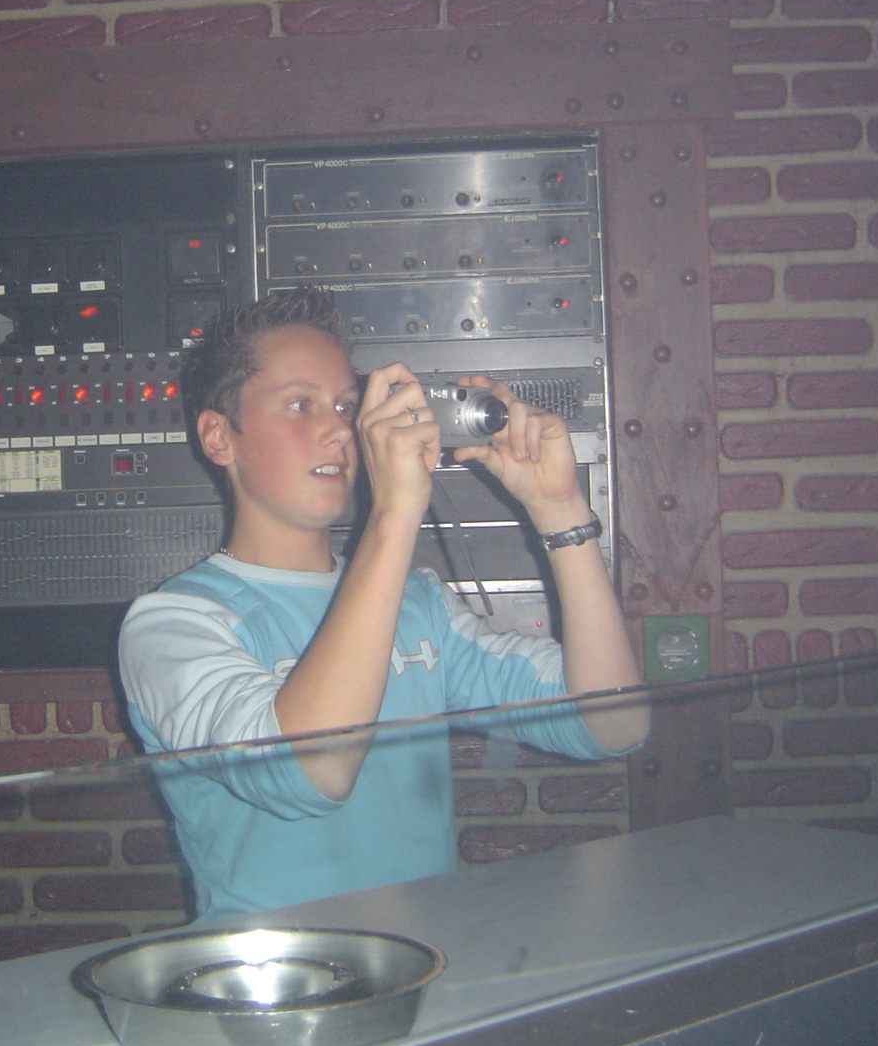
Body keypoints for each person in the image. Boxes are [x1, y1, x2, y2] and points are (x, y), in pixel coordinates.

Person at [118, 288, 646, 919]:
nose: (337, 431)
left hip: (421, 961)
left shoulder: (417, 603)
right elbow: (310, 774)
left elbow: (611, 726)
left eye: (346, 406)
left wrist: (559, 511)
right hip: (272, 968)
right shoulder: (173, 624)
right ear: (218, 436)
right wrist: (393, 514)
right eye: (300, 405)